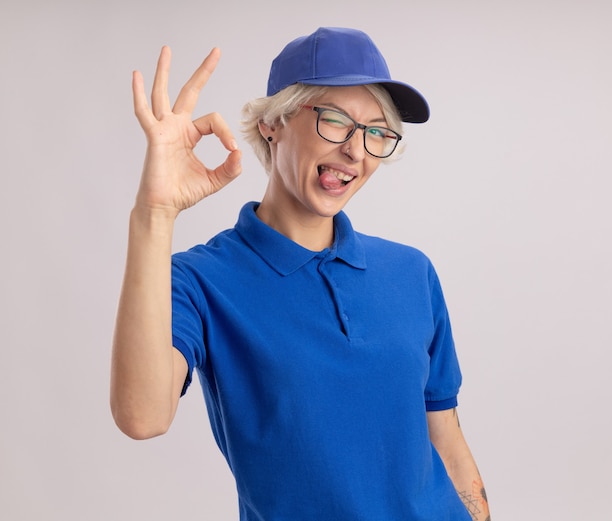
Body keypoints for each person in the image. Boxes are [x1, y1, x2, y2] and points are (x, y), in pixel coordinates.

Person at [111, 27, 491, 521]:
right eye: (336, 121)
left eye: (377, 131)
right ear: (274, 122)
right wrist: (154, 214)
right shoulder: (199, 281)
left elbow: (447, 440)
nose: (356, 151)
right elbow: (142, 417)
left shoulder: (411, 272)